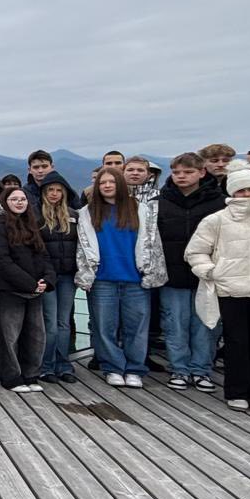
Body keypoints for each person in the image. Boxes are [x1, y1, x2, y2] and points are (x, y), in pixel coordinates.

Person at [185, 168, 250, 413]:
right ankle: (236, 391)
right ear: (232, 192)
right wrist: (211, 272)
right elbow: (196, 251)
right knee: (236, 342)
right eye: (241, 190)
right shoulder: (217, 219)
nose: (248, 194)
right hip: (230, 288)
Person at [76, 170, 166, 387]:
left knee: (136, 327)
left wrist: (151, 271)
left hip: (135, 278)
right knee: (104, 327)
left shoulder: (140, 209)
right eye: (102, 182)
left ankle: (135, 369)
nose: (107, 185)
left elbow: (152, 243)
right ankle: (113, 367)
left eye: (112, 182)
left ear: (120, 184)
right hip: (102, 279)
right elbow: (82, 247)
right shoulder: (87, 213)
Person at [155, 153, 224, 392]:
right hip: (171, 274)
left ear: (202, 172)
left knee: (207, 323)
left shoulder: (219, 202)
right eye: (176, 172)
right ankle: (179, 369)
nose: (181, 176)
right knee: (174, 323)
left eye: (188, 172)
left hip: (208, 275)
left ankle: (201, 369)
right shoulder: (160, 202)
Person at [0, 188, 55, 392]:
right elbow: (0, 261)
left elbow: (44, 256)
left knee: (35, 336)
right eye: (14, 199)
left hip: (34, 290)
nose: (19, 202)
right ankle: (11, 378)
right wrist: (30, 284)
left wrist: (47, 280)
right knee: (9, 337)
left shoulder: (32, 225)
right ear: (5, 202)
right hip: (9, 291)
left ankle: (30, 375)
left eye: (22, 199)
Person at [35, 176, 79, 384]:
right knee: (50, 323)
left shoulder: (73, 215)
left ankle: (64, 365)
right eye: (50, 190)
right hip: (47, 277)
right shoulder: (36, 216)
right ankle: (46, 366)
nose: (54, 194)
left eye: (58, 190)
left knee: (63, 323)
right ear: (44, 193)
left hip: (68, 275)